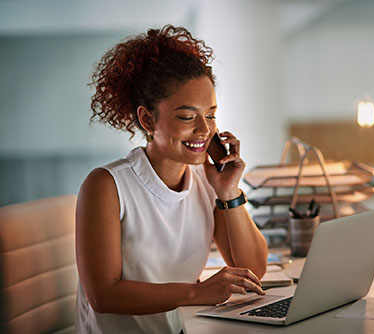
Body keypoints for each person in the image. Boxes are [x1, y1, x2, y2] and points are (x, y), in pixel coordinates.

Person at [75, 25, 268, 334]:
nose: (205, 131)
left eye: (211, 114)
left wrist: (229, 192)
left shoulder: (207, 180)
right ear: (148, 119)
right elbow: (103, 295)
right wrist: (197, 293)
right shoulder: (107, 185)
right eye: (188, 117)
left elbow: (253, 270)